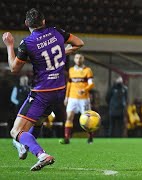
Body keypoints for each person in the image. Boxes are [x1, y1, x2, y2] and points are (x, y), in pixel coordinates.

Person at [2, 8, 84, 171]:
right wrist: (63, 51)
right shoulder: (56, 32)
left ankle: (41, 154)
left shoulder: (28, 43)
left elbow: (14, 68)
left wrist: (9, 45)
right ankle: (25, 146)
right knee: (37, 122)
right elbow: (79, 43)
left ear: (26, 24)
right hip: (60, 90)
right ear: (44, 21)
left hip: (42, 92)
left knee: (15, 131)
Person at [59, 53, 94, 144]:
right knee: (69, 117)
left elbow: (91, 84)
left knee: (87, 119)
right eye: (77, 58)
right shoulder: (71, 70)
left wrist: (84, 90)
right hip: (72, 98)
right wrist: (66, 97)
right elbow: (69, 84)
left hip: (84, 99)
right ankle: (67, 138)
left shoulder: (87, 70)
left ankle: (90, 137)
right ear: (74, 59)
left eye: (80, 58)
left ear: (83, 59)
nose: (78, 59)